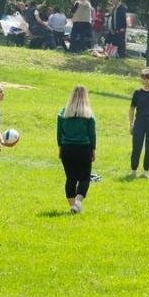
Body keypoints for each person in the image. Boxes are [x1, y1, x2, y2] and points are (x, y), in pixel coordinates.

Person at [57, 85, 96, 214]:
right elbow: (92, 134)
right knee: (84, 178)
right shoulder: (88, 115)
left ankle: (73, 206)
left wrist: (60, 147)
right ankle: (78, 202)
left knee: (70, 178)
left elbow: (59, 133)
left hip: (67, 148)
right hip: (83, 148)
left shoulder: (63, 113)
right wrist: (93, 150)